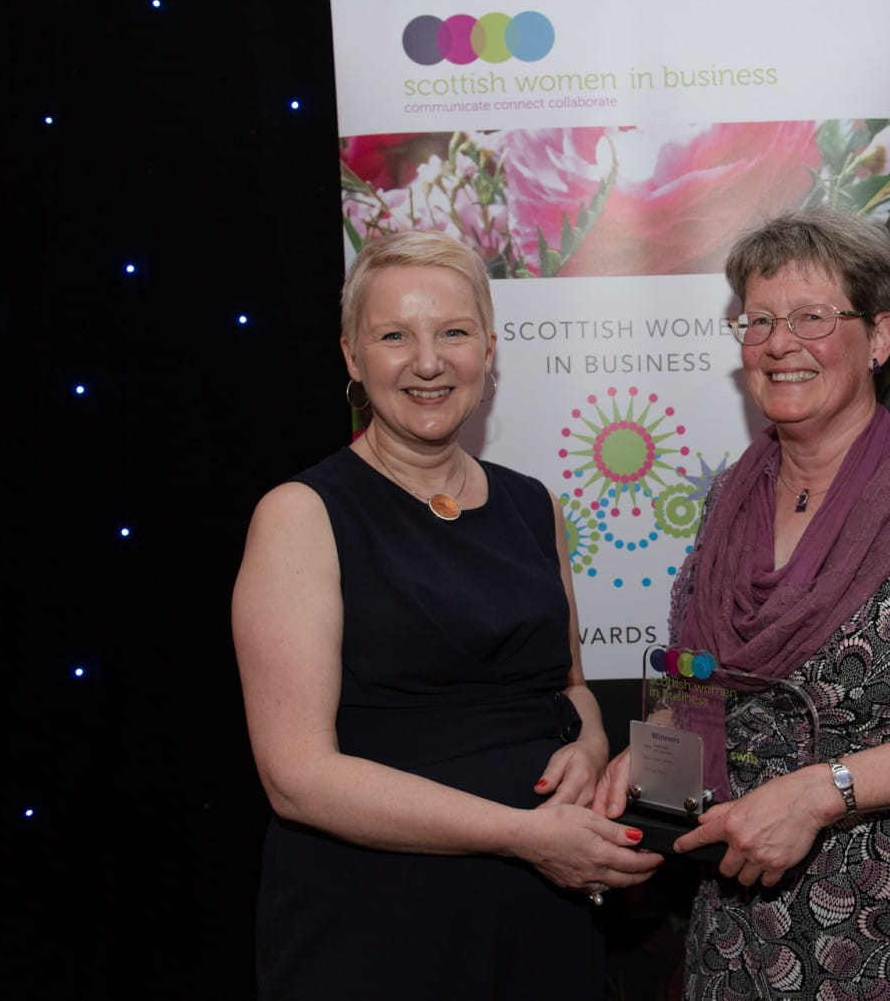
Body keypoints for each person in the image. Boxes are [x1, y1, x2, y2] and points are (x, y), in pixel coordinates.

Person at [594, 208, 890, 999]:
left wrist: (819, 791)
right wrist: (654, 757)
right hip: (736, 920)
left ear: (879, 337)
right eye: (759, 320)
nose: (779, 343)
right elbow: (695, 676)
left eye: (811, 317)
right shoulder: (730, 496)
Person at [232, 230, 662, 1000]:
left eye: (454, 332)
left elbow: (570, 685)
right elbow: (296, 777)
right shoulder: (302, 514)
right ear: (352, 357)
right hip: (378, 917)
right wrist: (524, 835)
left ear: (490, 351)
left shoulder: (533, 504)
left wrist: (590, 743)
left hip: (546, 909)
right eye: (394, 335)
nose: (427, 362)